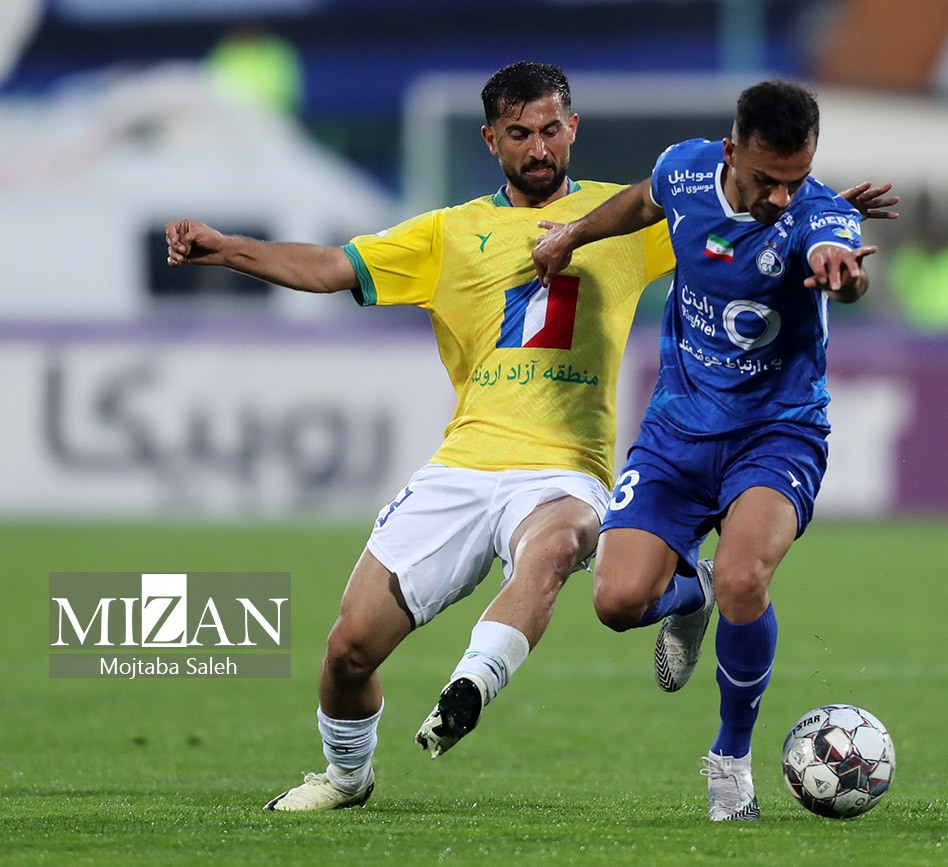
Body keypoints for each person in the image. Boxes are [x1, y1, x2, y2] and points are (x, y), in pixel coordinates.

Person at [165, 62, 897, 813]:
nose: (539, 147)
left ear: (572, 128)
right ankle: (346, 777)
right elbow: (330, 266)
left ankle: (475, 688)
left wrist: (824, 225)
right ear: (491, 140)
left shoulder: (630, 215)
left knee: (558, 549)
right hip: (465, 462)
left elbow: (747, 227)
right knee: (350, 647)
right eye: (520, 134)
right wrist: (226, 248)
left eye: (551, 130)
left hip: (568, 468)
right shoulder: (448, 233)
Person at [532, 80, 876, 821]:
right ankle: (690, 594)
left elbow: (836, 251)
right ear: (730, 152)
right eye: (767, 179)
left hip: (777, 431)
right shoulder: (686, 170)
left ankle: (730, 763)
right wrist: (572, 235)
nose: (783, 197)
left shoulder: (818, 212)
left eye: (797, 178)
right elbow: (643, 200)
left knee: (745, 577)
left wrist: (843, 276)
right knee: (617, 602)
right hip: (676, 433)